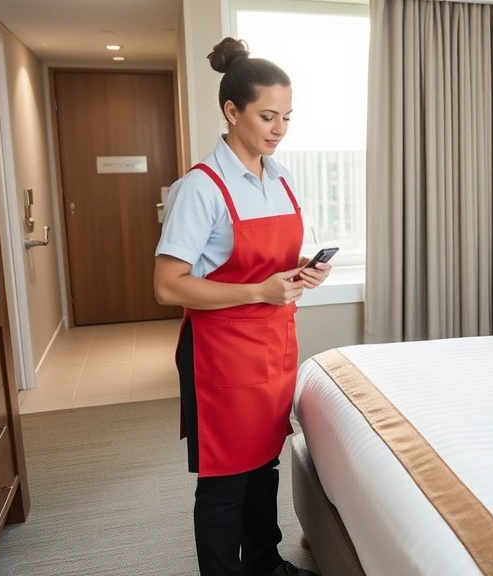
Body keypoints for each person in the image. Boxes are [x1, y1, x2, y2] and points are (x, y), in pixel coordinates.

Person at [153, 37, 326, 576]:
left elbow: (266, 263)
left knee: (263, 467)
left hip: (273, 346)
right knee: (225, 482)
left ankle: (265, 563)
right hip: (221, 357)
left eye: (287, 118)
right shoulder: (200, 188)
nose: (279, 129)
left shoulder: (281, 178)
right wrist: (258, 292)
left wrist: (303, 267)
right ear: (232, 111)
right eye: (267, 116)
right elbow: (167, 286)